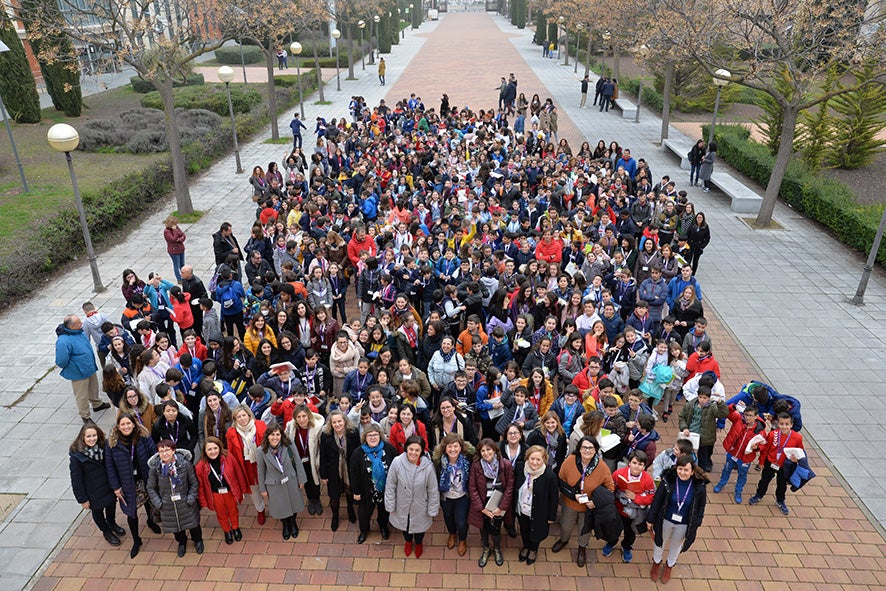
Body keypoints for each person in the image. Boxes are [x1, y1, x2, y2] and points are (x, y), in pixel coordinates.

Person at [552, 436, 615, 566]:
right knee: (566, 525)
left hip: (589, 507)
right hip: (570, 503)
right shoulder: (570, 461)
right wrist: (571, 494)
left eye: (590, 447)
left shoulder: (602, 467)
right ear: (579, 449)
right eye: (584, 447)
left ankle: (582, 548)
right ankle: (564, 540)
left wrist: (595, 502)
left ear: (596, 449)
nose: (587, 450)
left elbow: (610, 488)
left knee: (584, 529)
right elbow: (561, 479)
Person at [105, 413, 159, 558]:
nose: (126, 426)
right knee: (131, 512)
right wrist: (115, 487)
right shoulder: (112, 444)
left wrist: (155, 476)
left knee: (149, 502)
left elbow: (154, 455)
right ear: (118, 427)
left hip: (145, 478)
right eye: (122, 424)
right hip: (127, 483)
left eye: (128, 423)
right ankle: (136, 539)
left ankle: (151, 521)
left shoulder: (144, 437)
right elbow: (109, 467)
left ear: (134, 424)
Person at [646, 457, 709, 583]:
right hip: (665, 520)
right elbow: (657, 501)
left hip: (684, 523)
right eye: (680, 469)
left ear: (692, 472)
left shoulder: (699, 486)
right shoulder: (668, 481)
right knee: (659, 542)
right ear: (676, 469)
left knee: (676, 545)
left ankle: (669, 565)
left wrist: (698, 522)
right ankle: (656, 563)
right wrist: (650, 519)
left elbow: (701, 506)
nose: (682, 472)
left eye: (686, 470)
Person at [69, 422, 125, 546]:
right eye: (88, 436)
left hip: (107, 487)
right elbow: (76, 480)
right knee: (98, 513)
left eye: (94, 435)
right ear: (82, 438)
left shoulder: (105, 447)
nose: (92, 439)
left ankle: (112, 524)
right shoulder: (77, 456)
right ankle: (106, 531)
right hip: (92, 492)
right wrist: (82, 499)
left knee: (111, 507)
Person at [384, 435, 440, 558]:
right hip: (402, 503)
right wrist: (390, 504)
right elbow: (390, 485)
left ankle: (419, 543)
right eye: (411, 449)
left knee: (420, 528)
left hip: (420, 505)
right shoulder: (397, 462)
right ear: (406, 449)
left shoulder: (428, 467)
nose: (413, 453)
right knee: (405, 526)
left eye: (417, 450)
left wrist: (432, 509)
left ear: (421, 451)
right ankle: (408, 542)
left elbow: (433, 490)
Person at [147, 439, 203, 557]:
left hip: (186, 503)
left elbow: (194, 483)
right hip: (167, 505)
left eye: (167, 450)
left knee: (194, 525)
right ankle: (182, 542)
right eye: (161, 451)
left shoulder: (185, 465)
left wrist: (190, 499)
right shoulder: (155, 469)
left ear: (173, 451)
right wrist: (159, 504)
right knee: (176, 528)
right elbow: (151, 488)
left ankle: (197, 540)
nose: (165, 454)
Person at [256, 424, 308, 540]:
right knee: (281, 505)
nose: (275, 437)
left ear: (281, 435)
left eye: (278, 434)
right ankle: (285, 524)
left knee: (294, 502)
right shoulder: (261, 451)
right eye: (272, 435)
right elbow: (260, 470)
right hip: (274, 484)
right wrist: (262, 488)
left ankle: (293, 522)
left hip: (291, 480)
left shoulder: (288, 445)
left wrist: (301, 479)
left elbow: (298, 462)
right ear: (267, 436)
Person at [56, 315, 111, 422]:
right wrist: (74, 366)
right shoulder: (63, 341)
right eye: (79, 323)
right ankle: (85, 415)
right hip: (78, 372)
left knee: (93, 387)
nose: (82, 323)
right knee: (81, 395)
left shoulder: (79, 332)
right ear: (71, 327)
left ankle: (97, 404)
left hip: (89, 367)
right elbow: (61, 360)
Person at [749, 412, 805, 515]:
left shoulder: (797, 438)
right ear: (778, 424)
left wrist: (796, 459)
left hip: (785, 466)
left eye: (787, 424)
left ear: (791, 425)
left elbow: (800, 452)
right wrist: (761, 462)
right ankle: (759, 495)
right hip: (770, 462)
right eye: (782, 424)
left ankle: (780, 500)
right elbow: (765, 450)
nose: (784, 426)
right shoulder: (772, 435)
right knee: (764, 480)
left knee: (782, 484)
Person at [605, 450, 656, 563]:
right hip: (618, 509)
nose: (636, 467)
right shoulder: (618, 474)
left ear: (644, 466)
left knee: (630, 533)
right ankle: (611, 542)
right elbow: (610, 487)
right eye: (634, 463)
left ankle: (626, 546)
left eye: (640, 464)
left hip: (634, 514)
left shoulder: (647, 480)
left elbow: (651, 497)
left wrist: (636, 497)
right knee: (613, 530)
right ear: (629, 463)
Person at [195, 436, 248, 544]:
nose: (213, 451)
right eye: (209, 449)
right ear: (205, 451)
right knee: (221, 514)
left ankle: (235, 528)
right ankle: (227, 531)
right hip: (215, 494)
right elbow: (200, 486)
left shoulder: (228, 457)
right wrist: (203, 502)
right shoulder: (201, 466)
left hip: (229, 492)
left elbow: (238, 473)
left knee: (233, 511)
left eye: (215, 448)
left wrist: (242, 490)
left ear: (219, 447)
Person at [513, 444, 559, 565]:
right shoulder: (520, 468)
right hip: (522, 509)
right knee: (524, 529)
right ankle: (526, 546)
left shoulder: (549, 476)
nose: (534, 462)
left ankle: (533, 549)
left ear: (544, 459)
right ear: (527, 458)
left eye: (538, 459)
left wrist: (551, 517)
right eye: (532, 458)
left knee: (536, 532)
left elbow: (554, 498)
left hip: (539, 512)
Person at [350, 424, 396, 544]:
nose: (373, 437)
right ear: (364, 438)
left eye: (375, 435)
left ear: (380, 436)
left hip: (385, 490)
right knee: (363, 514)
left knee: (384, 512)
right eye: (369, 435)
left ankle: (383, 527)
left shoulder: (389, 449)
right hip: (366, 491)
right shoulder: (358, 453)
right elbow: (353, 474)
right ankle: (364, 531)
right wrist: (356, 492)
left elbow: (396, 468)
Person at [226, 404, 268, 525]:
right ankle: (260, 509)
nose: (242, 418)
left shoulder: (260, 425)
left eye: (244, 415)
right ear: (235, 419)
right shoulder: (231, 432)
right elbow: (230, 452)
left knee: (269, 485)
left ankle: (275, 506)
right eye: (239, 417)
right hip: (246, 466)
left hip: (262, 463)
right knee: (253, 489)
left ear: (249, 415)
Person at [319, 410, 360, 531]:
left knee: (349, 491)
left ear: (345, 421)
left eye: (339, 421)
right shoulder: (325, 435)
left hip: (349, 469)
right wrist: (323, 475)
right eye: (334, 422)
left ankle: (350, 509)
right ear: (330, 424)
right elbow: (323, 456)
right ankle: (335, 516)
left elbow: (358, 452)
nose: (337, 424)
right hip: (333, 470)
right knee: (334, 495)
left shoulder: (353, 432)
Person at [433, 432, 473, 555]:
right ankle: (452, 533)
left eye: (456, 446)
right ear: (444, 448)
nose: (453, 449)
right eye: (449, 446)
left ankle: (462, 539)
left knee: (461, 521)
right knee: (448, 517)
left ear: (461, 447)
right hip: (446, 496)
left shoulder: (468, 460)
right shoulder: (438, 462)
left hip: (462, 496)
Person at [678, 386, 728, 472]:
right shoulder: (690, 405)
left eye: (705, 398)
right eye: (700, 397)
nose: (702, 400)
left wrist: (720, 402)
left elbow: (723, 414)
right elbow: (682, 417)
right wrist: (684, 428)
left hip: (704, 438)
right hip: (690, 435)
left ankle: (701, 474)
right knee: (686, 455)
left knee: (702, 458)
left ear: (709, 398)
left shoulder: (712, 407)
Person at [163, 216, 186, 283]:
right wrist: (175, 230)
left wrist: (180, 239)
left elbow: (183, 235)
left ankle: (184, 276)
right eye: (174, 224)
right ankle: (179, 279)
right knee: (177, 265)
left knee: (182, 264)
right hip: (174, 251)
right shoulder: (166, 232)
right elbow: (173, 239)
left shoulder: (176, 227)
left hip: (181, 248)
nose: (176, 225)